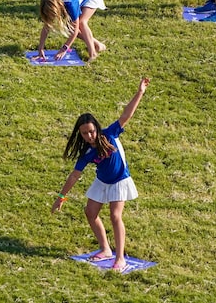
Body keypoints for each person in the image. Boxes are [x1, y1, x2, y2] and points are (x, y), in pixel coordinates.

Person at [52, 77, 151, 273]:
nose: (89, 136)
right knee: (90, 213)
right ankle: (105, 249)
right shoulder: (87, 153)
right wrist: (61, 197)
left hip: (120, 180)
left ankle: (120, 257)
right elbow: (74, 175)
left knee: (115, 216)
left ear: (96, 128)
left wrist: (140, 92)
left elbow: (126, 115)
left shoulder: (110, 134)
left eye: (91, 131)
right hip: (102, 181)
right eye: (84, 134)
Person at [37, 0, 106, 62]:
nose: (52, 17)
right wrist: (40, 48)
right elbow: (47, 26)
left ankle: (93, 54)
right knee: (70, 28)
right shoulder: (58, 3)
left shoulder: (71, 5)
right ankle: (98, 45)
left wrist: (64, 49)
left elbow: (75, 31)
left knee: (81, 23)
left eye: (53, 14)